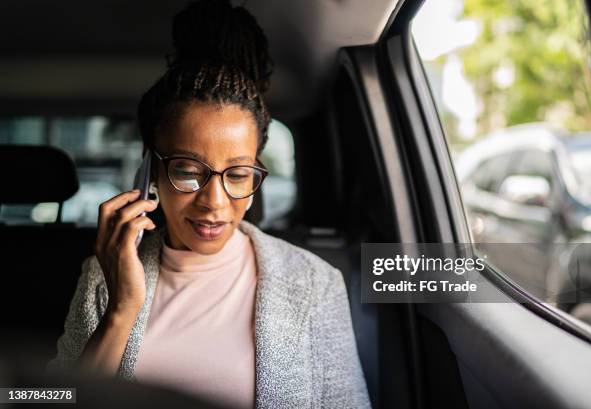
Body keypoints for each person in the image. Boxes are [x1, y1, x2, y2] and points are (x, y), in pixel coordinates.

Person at [47, 1, 371, 408]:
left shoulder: (315, 283)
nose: (214, 203)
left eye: (237, 175)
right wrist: (120, 310)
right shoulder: (101, 277)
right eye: (188, 171)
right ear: (151, 169)